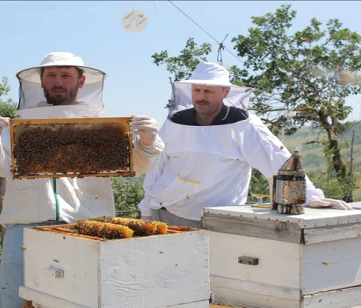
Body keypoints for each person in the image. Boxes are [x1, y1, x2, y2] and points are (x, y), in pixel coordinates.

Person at [0, 52, 164, 308]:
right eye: (51, 76)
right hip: (25, 231)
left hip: (85, 230)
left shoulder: (102, 125)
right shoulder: (19, 126)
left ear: (81, 81)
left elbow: (138, 164)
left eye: (65, 75)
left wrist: (149, 141)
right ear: (40, 81)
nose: (58, 82)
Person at [138, 61, 350, 227]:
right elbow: (157, 167)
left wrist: (310, 196)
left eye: (208, 91)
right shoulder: (175, 122)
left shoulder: (245, 126)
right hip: (166, 214)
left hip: (217, 220)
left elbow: (279, 161)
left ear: (226, 92)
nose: (201, 97)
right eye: (197, 90)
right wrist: (147, 209)